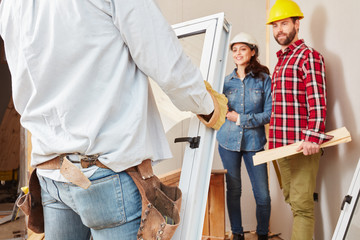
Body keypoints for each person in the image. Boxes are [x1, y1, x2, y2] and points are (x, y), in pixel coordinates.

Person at [0, 0, 227, 239]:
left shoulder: (11, 4)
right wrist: (208, 106)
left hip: (51, 173)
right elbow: (167, 63)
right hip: (107, 174)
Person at [266, 0, 333, 239]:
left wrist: (313, 136)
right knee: (293, 202)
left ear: (297, 24)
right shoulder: (281, 61)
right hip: (280, 145)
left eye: (284, 24)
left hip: (302, 146)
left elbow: (318, 99)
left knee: (303, 207)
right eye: (275, 26)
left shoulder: (309, 56)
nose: (279, 30)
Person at [216, 32, 272, 240]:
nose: (238, 53)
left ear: (253, 51)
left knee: (263, 196)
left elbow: (268, 114)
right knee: (234, 190)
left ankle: (262, 235)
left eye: (243, 49)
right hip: (227, 142)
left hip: (254, 143)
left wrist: (241, 119)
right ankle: (237, 234)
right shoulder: (225, 82)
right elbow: (217, 111)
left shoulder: (264, 79)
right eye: (234, 50)